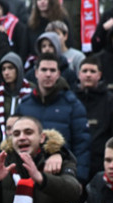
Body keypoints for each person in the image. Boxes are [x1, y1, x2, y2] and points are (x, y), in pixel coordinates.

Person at [18, 52, 91, 180]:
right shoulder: (24, 105)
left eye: (52, 70)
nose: (48, 74)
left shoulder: (72, 104)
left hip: (62, 175)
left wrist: (78, 178)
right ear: (36, 73)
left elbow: (82, 145)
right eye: (44, 70)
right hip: (27, 175)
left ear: (58, 74)